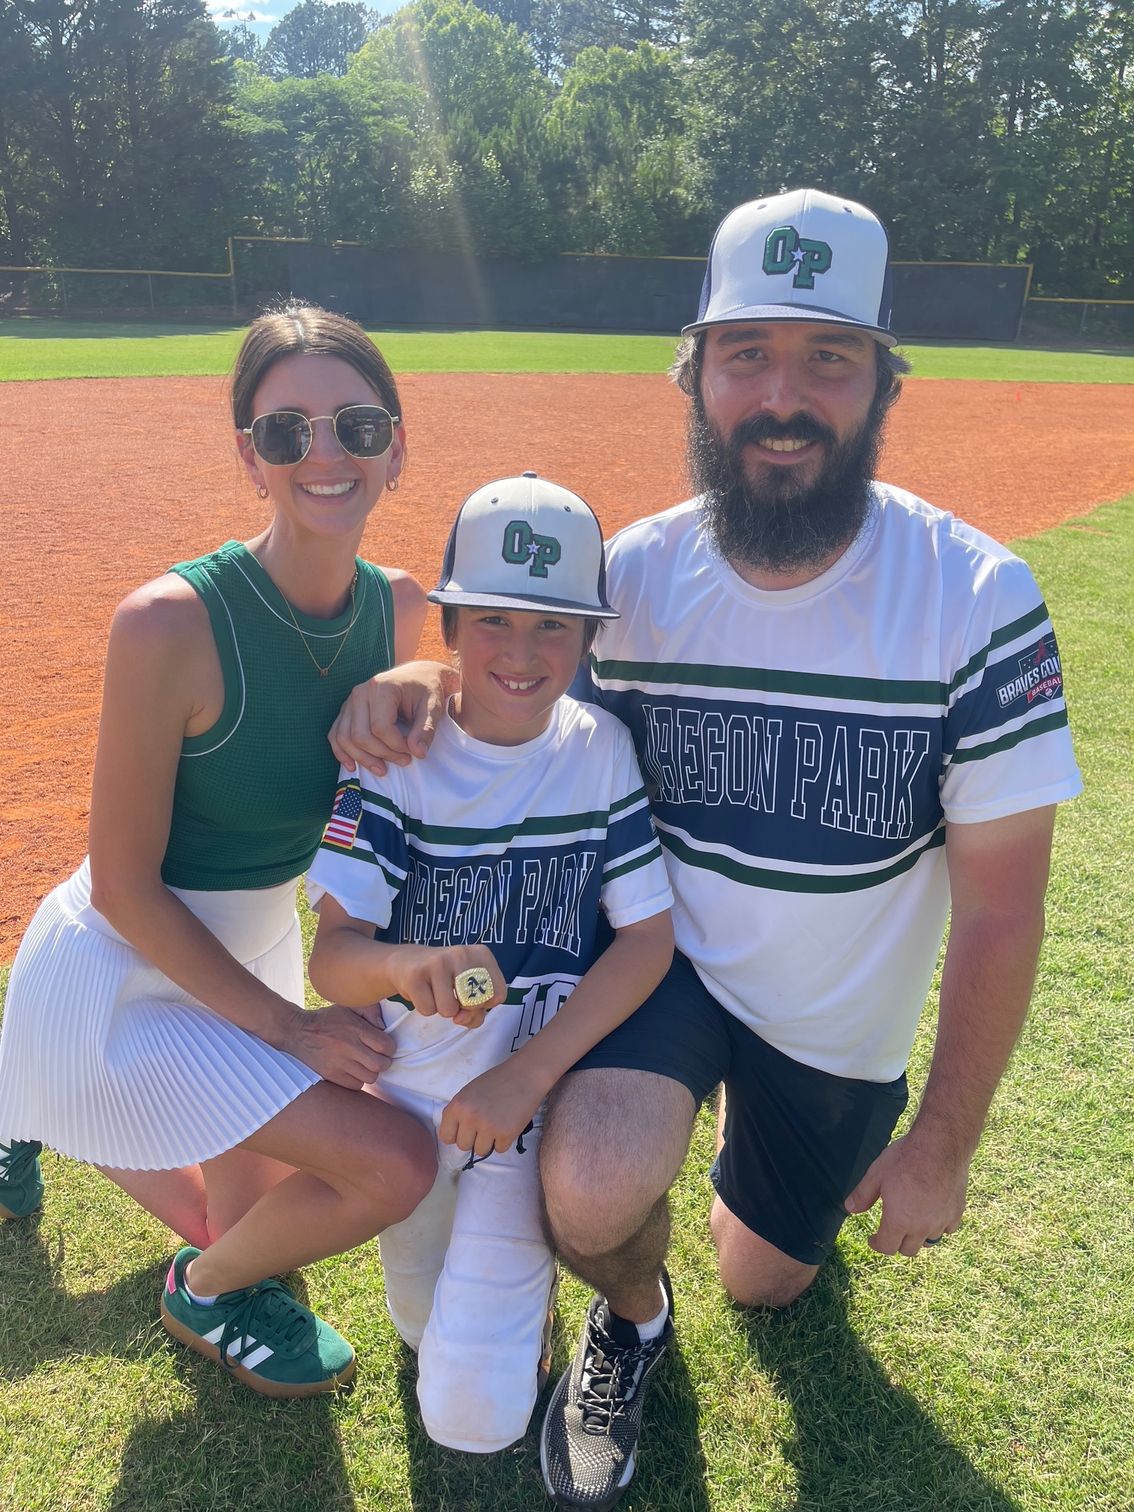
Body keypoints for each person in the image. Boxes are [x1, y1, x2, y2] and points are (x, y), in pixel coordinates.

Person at [332, 188, 1084, 1509]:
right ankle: (630, 1318)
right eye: (745, 356)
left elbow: (1004, 910)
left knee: (767, 1279)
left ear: (882, 383)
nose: (780, 398)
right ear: (693, 374)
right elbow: (519, 676)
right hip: (660, 974)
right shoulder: (634, 579)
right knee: (594, 1193)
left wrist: (943, 1148)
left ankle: (774, 1178)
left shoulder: (974, 598)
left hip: (829, 1021)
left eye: (825, 358)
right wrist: (412, 681)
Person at [0, 303, 438, 1398]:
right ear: (250, 456)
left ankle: (23, 1103)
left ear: (397, 444)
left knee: (263, 1219)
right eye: (287, 433)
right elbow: (124, 888)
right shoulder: (167, 623)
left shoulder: (398, 608)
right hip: (119, 967)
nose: (325, 455)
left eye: (358, 426)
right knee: (366, 1175)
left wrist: (430, 678)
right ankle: (193, 1283)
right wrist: (289, 1029)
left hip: (250, 952)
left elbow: (501, 697)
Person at [304, 472, 674, 1454]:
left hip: (524, 1110)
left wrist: (527, 1073)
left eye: (555, 626)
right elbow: (332, 960)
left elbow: (647, 938)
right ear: (451, 623)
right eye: (495, 620)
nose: (522, 652)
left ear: (590, 641)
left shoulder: (598, 749)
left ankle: (522, 1283)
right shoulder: (394, 759)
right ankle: (473, 1305)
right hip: (413, 1116)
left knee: (473, 1421)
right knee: (425, 1340)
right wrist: (403, 967)